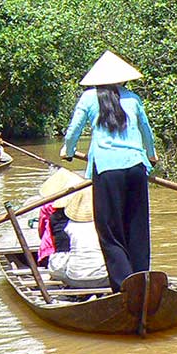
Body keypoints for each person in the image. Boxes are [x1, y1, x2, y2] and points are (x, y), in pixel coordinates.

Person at [60, 50, 158, 292]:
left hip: (107, 170)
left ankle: (125, 287)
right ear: (123, 79)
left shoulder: (88, 99)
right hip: (136, 168)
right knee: (137, 229)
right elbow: (146, 132)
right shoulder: (133, 99)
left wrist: (67, 151)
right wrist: (152, 155)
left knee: (109, 231)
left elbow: (73, 131)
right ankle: (141, 282)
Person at [38, 168, 109, 288]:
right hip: (103, 277)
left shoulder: (69, 226)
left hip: (74, 277)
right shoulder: (103, 223)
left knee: (63, 264)